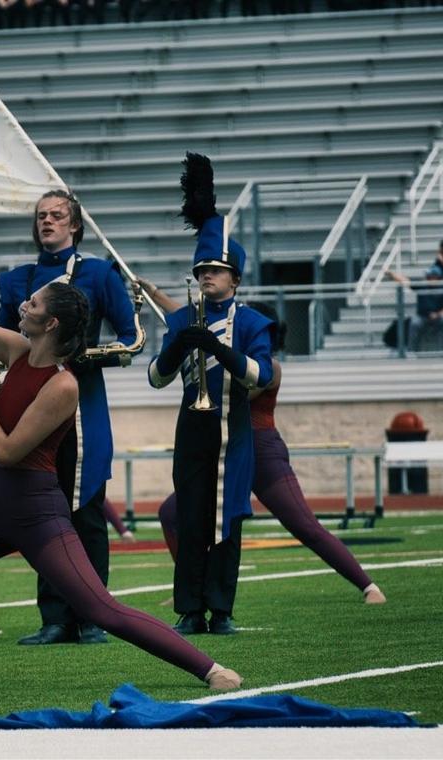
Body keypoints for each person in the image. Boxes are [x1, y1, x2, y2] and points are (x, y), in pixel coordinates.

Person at [0, 231, 241, 694]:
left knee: (100, 609)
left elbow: (7, 451)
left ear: (51, 324)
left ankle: (210, 669)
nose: (24, 304)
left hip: (38, 520)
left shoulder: (65, 386)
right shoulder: (18, 350)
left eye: (34, 304)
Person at [143, 293, 387, 606]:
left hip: (262, 453)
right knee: (171, 514)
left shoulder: (268, 367)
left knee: (303, 525)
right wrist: (155, 294)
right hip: (228, 452)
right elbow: (193, 317)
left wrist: (209, 347)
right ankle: (196, 588)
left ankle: (368, 586)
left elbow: (233, 387)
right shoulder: (231, 352)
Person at [0, 189, 141, 647]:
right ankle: (54, 618)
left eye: (58, 215)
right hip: (35, 409)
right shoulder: (19, 281)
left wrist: (78, 355)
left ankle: (94, 614)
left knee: (86, 511)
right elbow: (4, 342)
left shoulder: (99, 273)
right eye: (42, 216)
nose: (48, 221)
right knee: (43, 513)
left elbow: (132, 337)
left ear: (75, 225)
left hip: (84, 406)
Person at [147, 152, 274, 636]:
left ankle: (221, 609)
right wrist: (179, 343)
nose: (206, 276)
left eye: (216, 270)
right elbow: (157, 379)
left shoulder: (254, 321)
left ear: (235, 278)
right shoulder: (181, 320)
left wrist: (219, 350)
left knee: (226, 521)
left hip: (233, 432)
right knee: (191, 517)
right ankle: (189, 609)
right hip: (191, 430)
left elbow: (260, 376)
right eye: (201, 269)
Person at [384, 264, 443, 353]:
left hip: (438, 317)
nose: (428, 278)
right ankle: (411, 350)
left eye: (431, 277)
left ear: (436, 278)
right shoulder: (422, 286)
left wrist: (437, 315)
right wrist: (391, 274)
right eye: (428, 277)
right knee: (414, 323)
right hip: (423, 316)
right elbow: (405, 281)